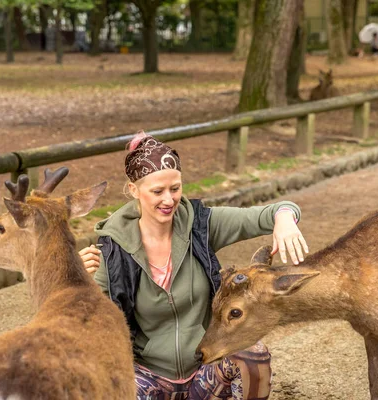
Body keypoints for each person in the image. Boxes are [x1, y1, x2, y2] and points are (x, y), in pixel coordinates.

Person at [79, 131, 309, 400]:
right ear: (134, 190)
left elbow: (276, 210)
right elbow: (88, 320)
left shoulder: (200, 225)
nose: (169, 200)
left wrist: (284, 218)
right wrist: (79, 279)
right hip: (148, 379)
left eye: (175, 188)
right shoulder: (112, 249)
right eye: (157, 191)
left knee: (252, 355)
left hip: (204, 370)